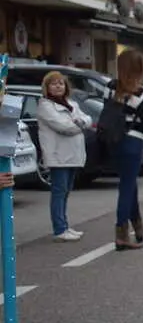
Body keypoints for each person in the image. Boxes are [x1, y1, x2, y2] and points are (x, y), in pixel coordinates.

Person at [37, 71, 91, 242]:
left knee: (66, 191)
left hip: (73, 154)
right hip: (58, 155)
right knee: (59, 192)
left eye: (61, 83)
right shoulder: (45, 105)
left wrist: (80, 123)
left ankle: (65, 225)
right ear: (47, 87)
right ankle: (59, 229)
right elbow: (63, 126)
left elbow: (87, 119)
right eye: (53, 83)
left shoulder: (71, 103)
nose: (58, 86)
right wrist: (79, 124)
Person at [112, 49, 143, 251]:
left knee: (129, 182)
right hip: (133, 142)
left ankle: (138, 225)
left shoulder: (110, 88)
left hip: (114, 141)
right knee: (127, 187)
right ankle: (121, 233)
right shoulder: (140, 93)